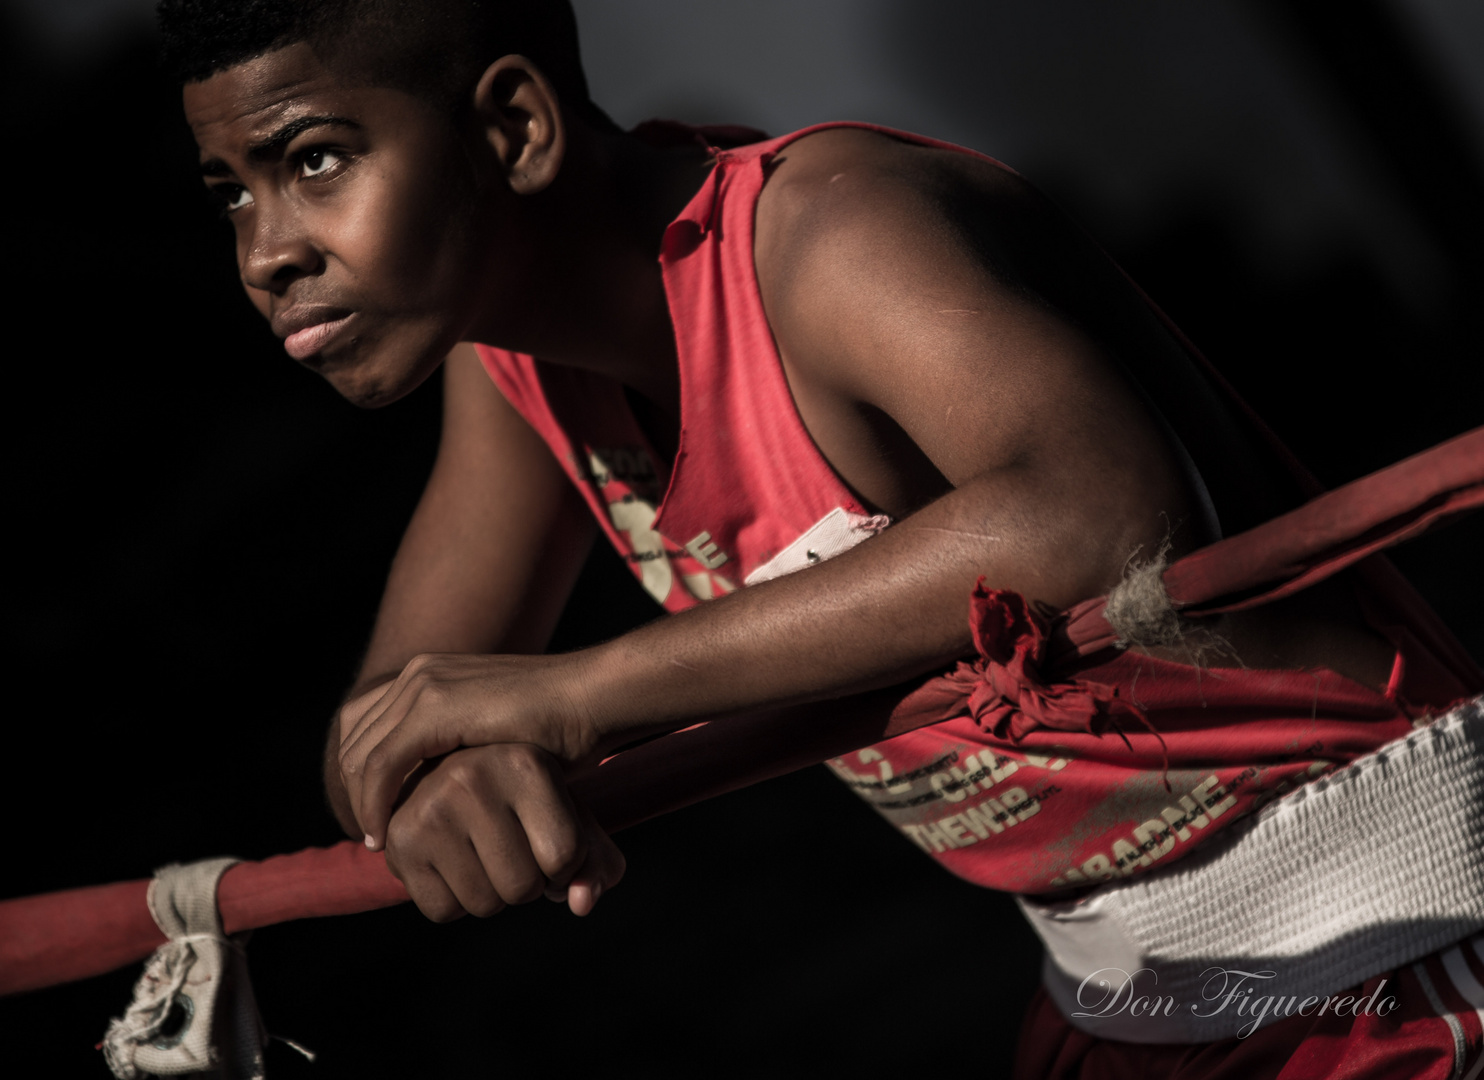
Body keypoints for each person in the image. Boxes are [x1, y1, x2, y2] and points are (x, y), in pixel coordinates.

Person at [163, 1, 1483, 1075]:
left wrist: (579, 696)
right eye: (230, 191)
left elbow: (1097, 510)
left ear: (512, 126)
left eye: (314, 160)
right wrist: (439, 781)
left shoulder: (829, 229)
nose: (265, 252)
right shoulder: (511, 372)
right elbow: (394, 719)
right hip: (1131, 996)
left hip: (1392, 927)